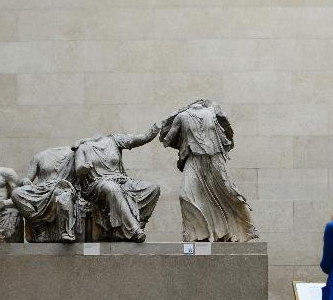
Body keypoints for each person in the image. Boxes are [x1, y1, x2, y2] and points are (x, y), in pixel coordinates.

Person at [159, 100, 258, 242]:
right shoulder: (183, 116)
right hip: (193, 160)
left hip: (214, 160)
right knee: (185, 195)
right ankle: (198, 235)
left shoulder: (212, 114)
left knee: (227, 193)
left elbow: (167, 140)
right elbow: (167, 140)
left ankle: (238, 231)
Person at [72, 123, 162, 242]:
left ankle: (137, 222)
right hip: (96, 184)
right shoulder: (83, 147)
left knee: (153, 188)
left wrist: (156, 128)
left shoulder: (114, 140)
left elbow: (142, 138)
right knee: (112, 188)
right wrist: (84, 168)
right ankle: (133, 230)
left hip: (121, 181)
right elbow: (79, 170)